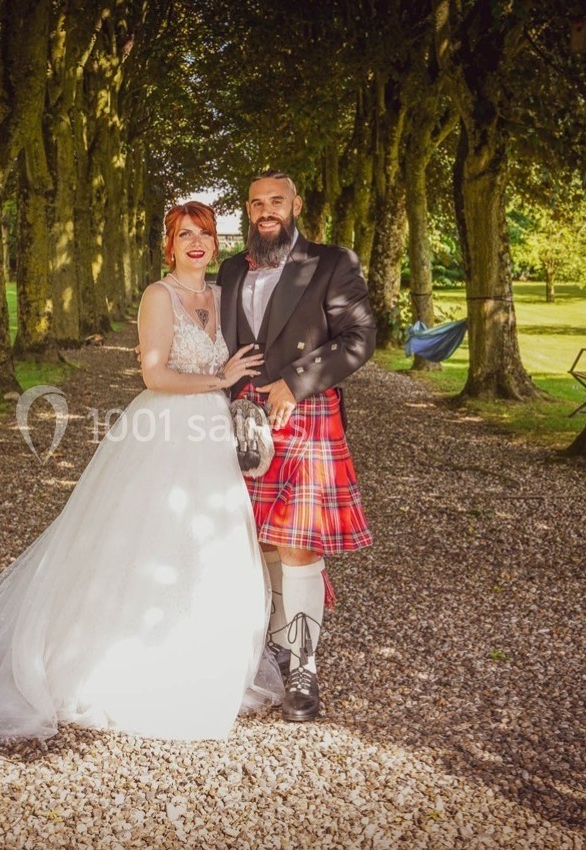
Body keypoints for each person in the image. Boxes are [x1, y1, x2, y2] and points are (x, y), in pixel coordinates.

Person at [0, 201, 282, 742]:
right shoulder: (159, 296)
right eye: (185, 234)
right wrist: (219, 379)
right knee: (144, 537)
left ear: (215, 241)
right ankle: (111, 660)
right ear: (169, 243)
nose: (196, 242)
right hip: (167, 428)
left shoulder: (223, 297)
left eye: (205, 232)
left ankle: (201, 653)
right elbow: (154, 376)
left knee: (207, 536)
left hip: (213, 436)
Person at [218, 169, 377, 723]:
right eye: (257, 202)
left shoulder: (333, 262)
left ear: (296, 205)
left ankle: (304, 665)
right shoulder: (233, 267)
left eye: (276, 201)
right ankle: (273, 646)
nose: (266, 210)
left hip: (305, 413)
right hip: (243, 417)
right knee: (257, 542)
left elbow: (359, 339)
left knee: (299, 545)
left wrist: (296, 381)